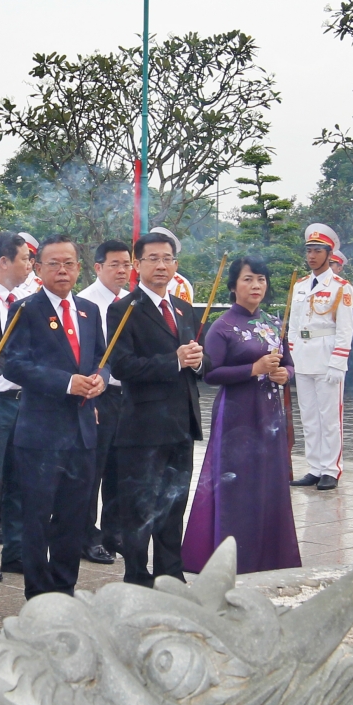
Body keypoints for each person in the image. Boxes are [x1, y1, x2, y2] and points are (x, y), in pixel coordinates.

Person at [2, 234, 107, 599]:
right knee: (37, 517)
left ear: (79, 268)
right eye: (53, 264)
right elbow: (12, 364)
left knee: (73, 517)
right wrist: (66, 383)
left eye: (69, 263)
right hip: (40, 433)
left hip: (81, 432)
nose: (62, 270)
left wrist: (99, 381)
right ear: (38, 268)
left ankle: (65, 588)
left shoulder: (89, 311)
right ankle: (38, 593)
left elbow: (101, 359)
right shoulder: (26, 309)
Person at [183, 256, 300, 574]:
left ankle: (272, 555)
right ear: (234, 286)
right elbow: (210, 374)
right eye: (248, 279)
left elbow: (288, 364)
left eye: (261, 279)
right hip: (237, 417)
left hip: (270, 416)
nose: (256, 285)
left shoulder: (276, 324)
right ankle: (234, 557)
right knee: (237, 486)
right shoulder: (221, 327)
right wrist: (253, 369)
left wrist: (284, 375)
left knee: (269, 484)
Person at [109, 231, 203, 585]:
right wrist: (173, 361)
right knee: (139, 507)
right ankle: (136, 575)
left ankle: (171, 574)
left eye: (168, 259)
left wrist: (195, 361)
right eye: (153, 258)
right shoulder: (124, 309)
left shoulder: (183, 308)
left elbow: (197, 363)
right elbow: (121, 366)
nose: (161, 265)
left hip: (181, 421)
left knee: (174, 503)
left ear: (176, 265)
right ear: (137, 264)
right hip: (143, 425)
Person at [0, 231, 40, 583]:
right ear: (4, 261)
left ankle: (16, 551)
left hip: (24, 400)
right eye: (25, 259)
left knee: (21, 479)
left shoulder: (29, 301)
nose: (30, 266)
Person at [77, 238, 134, 565]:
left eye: (127, 264)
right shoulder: (85, 302)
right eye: (115, 264)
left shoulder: (132, 301)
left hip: (128, 396)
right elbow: (85, 355)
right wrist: (91, 399)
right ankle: (88, 535)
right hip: (98, 394)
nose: (122, 270)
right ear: (98, 267)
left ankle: (115, 532)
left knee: (120, 468)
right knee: (92, 470)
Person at [288, 224, 353, 491]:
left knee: (329, 417)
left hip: (327, 355)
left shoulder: (341, 287)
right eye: (309, 251)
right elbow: (293, 324)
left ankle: (331, 469)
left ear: (329, 254)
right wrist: (291, 355)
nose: (312, 256)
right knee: (309, 416)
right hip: (303, 355)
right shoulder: (301, 285)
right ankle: (314, 467)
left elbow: (344, 327)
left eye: (317, 251)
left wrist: (339, 361)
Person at [146, 226, 194, 302]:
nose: (160, 265)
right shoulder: (144, 277)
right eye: (154, 259)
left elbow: (183, 312)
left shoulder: (180, 285)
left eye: (166, 259)